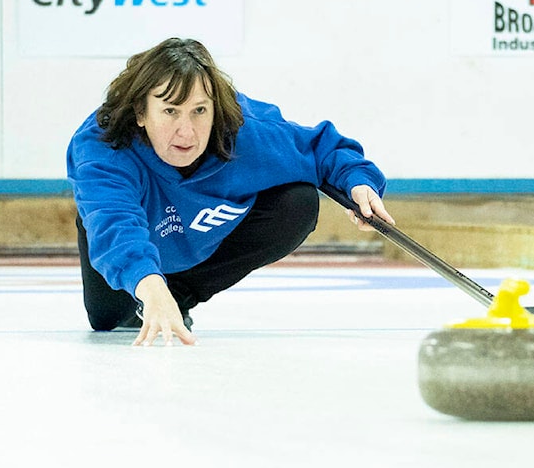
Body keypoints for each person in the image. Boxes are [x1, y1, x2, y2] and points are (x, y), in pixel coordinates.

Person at [67, 37, 394, 346]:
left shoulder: (244, 131)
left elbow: (320, 149)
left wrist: (358, 182)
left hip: (196, 232)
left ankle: (178, 295)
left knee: (298, 201)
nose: (187, 131)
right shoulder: (103, 146)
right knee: (109, 317)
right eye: (170, 111)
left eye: (199, 111)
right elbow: (113, 223)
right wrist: (148, 285)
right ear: (140, 112)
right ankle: (151, 289)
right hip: (131, 236)